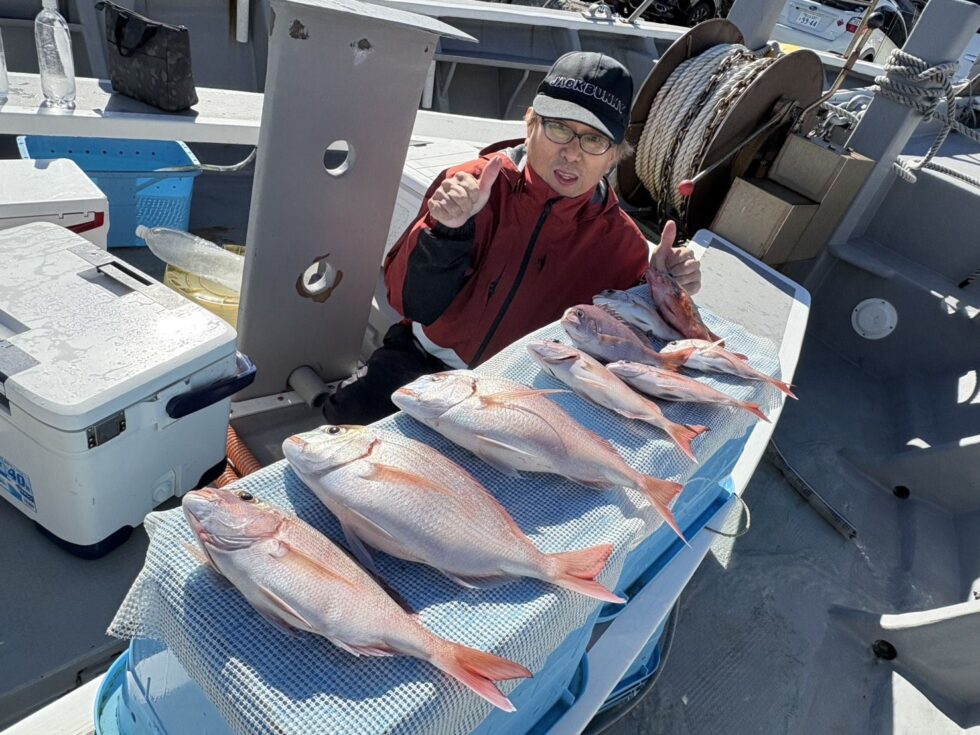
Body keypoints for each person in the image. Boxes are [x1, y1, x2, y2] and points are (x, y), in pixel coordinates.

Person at [323, 51, 702, 425]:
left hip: (527, 392)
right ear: (530, 123)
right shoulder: (470, 185)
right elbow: (409, 303)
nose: (572, 153)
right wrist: (447, 231)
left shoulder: (625, 246)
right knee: (346, 418)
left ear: (613, 158)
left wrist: (664, 290)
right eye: (559, 128)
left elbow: (630, 345)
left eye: (594, 140)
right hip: (424, 360)